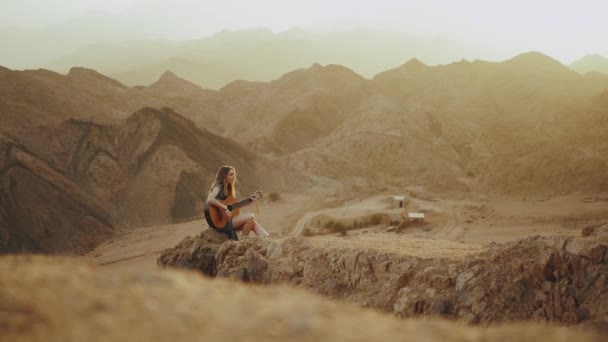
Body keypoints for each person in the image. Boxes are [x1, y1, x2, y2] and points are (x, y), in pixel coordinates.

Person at [206, 165, 269, 239]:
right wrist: (225, 208)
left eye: (234, 174)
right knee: (250, 217)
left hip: (227, 220)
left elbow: (232, 208)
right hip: (220, 223)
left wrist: (248, 203)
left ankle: (268, 238)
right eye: (230, 175)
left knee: (253, 223)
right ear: (224, 176)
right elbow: (210, 199)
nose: (233, 177)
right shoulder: (218, 186)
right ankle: (243, 241)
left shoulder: (228, 189)